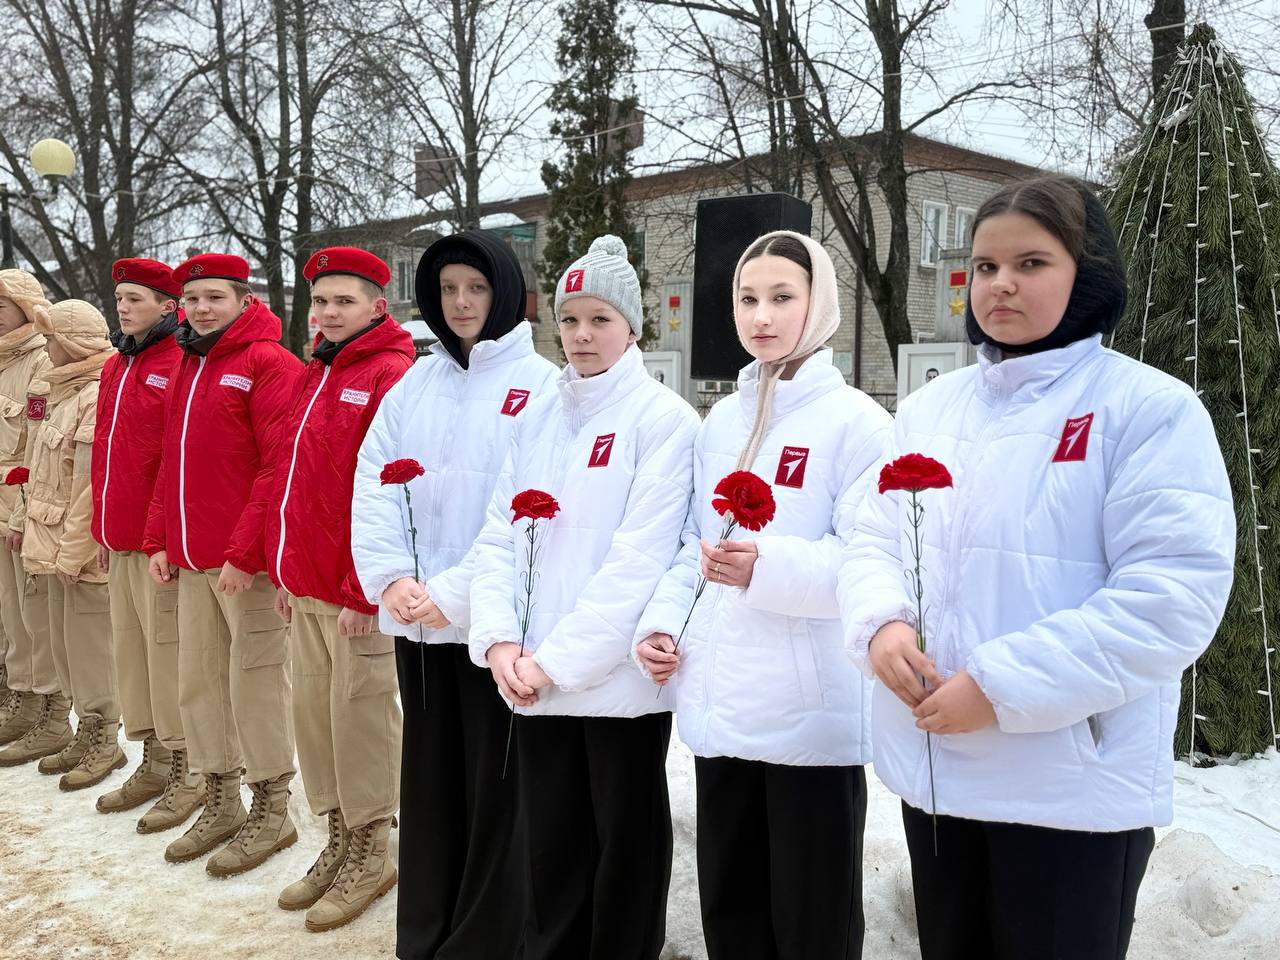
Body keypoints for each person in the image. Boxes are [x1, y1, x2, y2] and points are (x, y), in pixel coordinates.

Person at [838, 175, 1236, 960]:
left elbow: (1171, 596)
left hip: (1070, 788)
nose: (1001, 284)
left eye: (1030, 262)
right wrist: (880, 623)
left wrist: (999, 688)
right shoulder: (930, 410)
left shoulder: (1148, 410)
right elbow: (871, 535)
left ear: (1085, 274)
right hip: (941, 776)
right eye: (984, 267)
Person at [635, 231, 892, 960]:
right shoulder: (722, 420)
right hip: (723, 711)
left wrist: (768, 567)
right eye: (748, 298)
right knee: (733, 909)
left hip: (809, 726)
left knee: (812, 922)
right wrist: (663, 627)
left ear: (820, 304)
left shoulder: (859, 425)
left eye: (783, 297)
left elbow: (871, 560)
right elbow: (694, 545)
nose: (763, 316)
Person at [469, 235, 699, 960]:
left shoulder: (664, 420)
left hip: (614, 688)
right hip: (534, 679)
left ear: (632, 325)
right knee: (551, 852)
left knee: (622, 854)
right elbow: (498, 537)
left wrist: (555, 664)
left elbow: (640, 561)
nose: (582, 335)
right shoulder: (537, 417)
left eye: (600, 318)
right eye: (569, 320)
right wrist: (501, 642)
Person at [352, 230, 557, 960]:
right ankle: (426, 933)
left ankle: (483, 941)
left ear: (505, 290)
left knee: (497, 795)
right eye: (447, 290)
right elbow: (375, 480)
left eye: (475, 288)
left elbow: (527, 511)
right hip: (419, 625)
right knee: (433, 788)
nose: (462, 303)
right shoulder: (417, 382)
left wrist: (457, 595)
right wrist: (394, 580)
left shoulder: (541, 389)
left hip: (493, 625)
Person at [267, 246, 413, 932]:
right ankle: (336, 834)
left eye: (343, 302)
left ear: (378, 307)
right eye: (321, 301)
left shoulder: (389, 375)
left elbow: (392, 492)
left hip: (357, 592)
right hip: (308, 583)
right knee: (315, 718)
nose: (327, 314)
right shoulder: (314, 374)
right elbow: (291, 480)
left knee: (359, 717)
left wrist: (366, 590)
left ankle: (371, 845)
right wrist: (285, 569)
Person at [143, 253, 303, 875]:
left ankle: (273, 807)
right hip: (190, 558)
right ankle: (221, 796)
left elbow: (277, 467)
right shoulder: (190, 360)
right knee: (200, 681)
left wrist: (245, 551)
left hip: (245, 567)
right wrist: (160, 538)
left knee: (256, 682)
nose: (203, 308)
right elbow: (170, 461)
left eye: (217, 296)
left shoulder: (268, 363)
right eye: (195, 297)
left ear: (243, 300)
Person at [92, 258, 203, 832]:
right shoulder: (118, 365)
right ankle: (154, 757)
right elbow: (104, 455)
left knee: (168, 660)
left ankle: (188, 767)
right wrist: (103, 531)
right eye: (120, 299)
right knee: (131, 658)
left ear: (168, 306)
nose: (124, 307)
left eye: (136, 298)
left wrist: (159, 535)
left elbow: (171, 462)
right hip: (121, 538)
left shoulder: (177, 361)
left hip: (157, 542)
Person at [0, 300, 122, 793]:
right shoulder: (63, 391)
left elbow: (89, 490)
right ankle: (72, 726)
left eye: (52, 341)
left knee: (91, 651)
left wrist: (74, 552)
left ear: (72, 342)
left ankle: (103, 738)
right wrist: (24, 521)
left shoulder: (94, 394)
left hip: (76, 554)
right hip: (45, 542)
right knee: (62, 644)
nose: (45, 350)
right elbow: (38, 471)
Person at [0, 269, 53, 750]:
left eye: (1, 306)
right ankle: (12, 692)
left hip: (20, 511)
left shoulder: (41, 363)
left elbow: (38, 448)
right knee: (4, 613)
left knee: (29, 614)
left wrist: (23, 514)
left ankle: (38, 705)